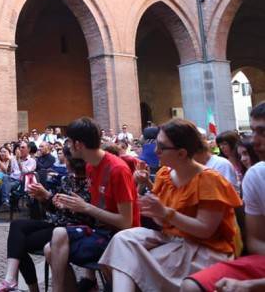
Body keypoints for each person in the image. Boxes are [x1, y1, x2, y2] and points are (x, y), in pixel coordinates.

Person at [99, 118, 242, 292]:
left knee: (130, 261)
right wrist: (153, 209)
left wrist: (165, 213)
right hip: (173, 240)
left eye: (162, 147)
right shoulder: (164, 175)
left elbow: (205, 230)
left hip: (205, 249)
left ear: (181, 153)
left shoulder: (209, 179)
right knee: (123, 239)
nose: (156, 151)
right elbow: (163, 223)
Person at [45, 117, 139, 292]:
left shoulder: (118, 170)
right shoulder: (90, 166)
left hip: (120, 237)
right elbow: (95, 207)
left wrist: (85, 207)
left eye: (69, 142)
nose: (67, 147)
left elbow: (126, 222)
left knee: (51, 250)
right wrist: (71, 205)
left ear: (78, 145)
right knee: (54, 239)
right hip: (99, 230)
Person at [181, 103, 265, 292]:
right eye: (253, 132)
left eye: (263, 132)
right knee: (191, 286)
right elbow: (256, 241)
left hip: (217, 244)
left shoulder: (218, 167)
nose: (255, 141)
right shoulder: (256, 176)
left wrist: (254, 285)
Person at [0, 146, 93, 292]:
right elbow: (55, 208)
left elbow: (82, 213)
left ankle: (28, 288)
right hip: (56, 223)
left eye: (65, 158)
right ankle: (10, 278)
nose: (64, 161)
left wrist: (49, 196)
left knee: (18, 244)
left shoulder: (89, 183)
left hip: (70, 229)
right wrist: (44, 199)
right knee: (16, 226)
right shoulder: (66, 179)